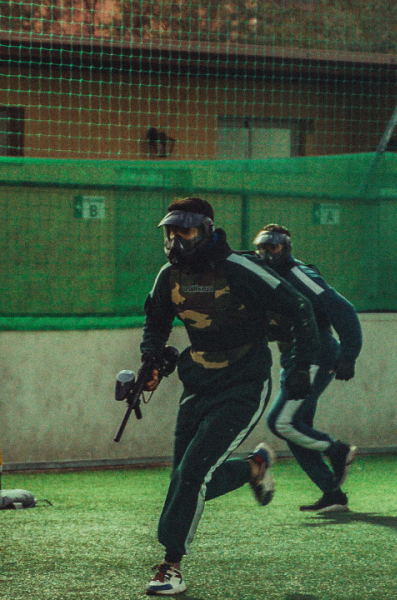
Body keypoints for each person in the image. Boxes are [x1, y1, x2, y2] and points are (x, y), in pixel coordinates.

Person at [136, 197, 320, 596]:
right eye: (169, 231)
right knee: (187, 476)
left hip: (245, 381)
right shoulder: (168, 276)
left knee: (191, 476)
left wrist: (301, 365)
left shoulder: (240, 267)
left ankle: (170, 567)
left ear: (203, 229)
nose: (173, 240)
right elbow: (156, 322)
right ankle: (255, 467)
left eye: (182, 230)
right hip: (198, 380)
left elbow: (300, 306)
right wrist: (150, 363)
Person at [252, 224, 362, 512]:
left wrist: (349, 353)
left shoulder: (299, 275)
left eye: (272, 247)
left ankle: (336, 450)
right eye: (261, 248)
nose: (266, 254)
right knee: (298, 429)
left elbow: (343, 308)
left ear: (285, 248)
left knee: (280, 422)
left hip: (315, 357)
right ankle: (333, 494)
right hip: (295, 358)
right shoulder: (271, 277)